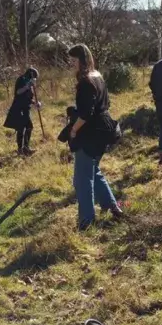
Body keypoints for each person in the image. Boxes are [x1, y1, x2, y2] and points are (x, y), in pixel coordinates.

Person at [66, 44, 123, 230]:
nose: (71, 64)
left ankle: (86, 221)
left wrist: (74, 130)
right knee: (94, 170)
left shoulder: (85, 81)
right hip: (106, 128)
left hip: (92, 132)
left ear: (81, 60)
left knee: (82, 178)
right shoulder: (98, 75)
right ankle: (112, 207)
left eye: (73, 60)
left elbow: (86, 113)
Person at [4, 67, 41, 155]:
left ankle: (26, 147)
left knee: (29, 127)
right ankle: (21, 149)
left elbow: (28, 97)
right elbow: (18, 92)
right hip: (18, 108)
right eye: (34, 78)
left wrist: (35, 103)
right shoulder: (21, 80)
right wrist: (28, 85)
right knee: (21, 128)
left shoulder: (30, 83)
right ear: (30, 75)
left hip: (26, 109)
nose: (34, 80)